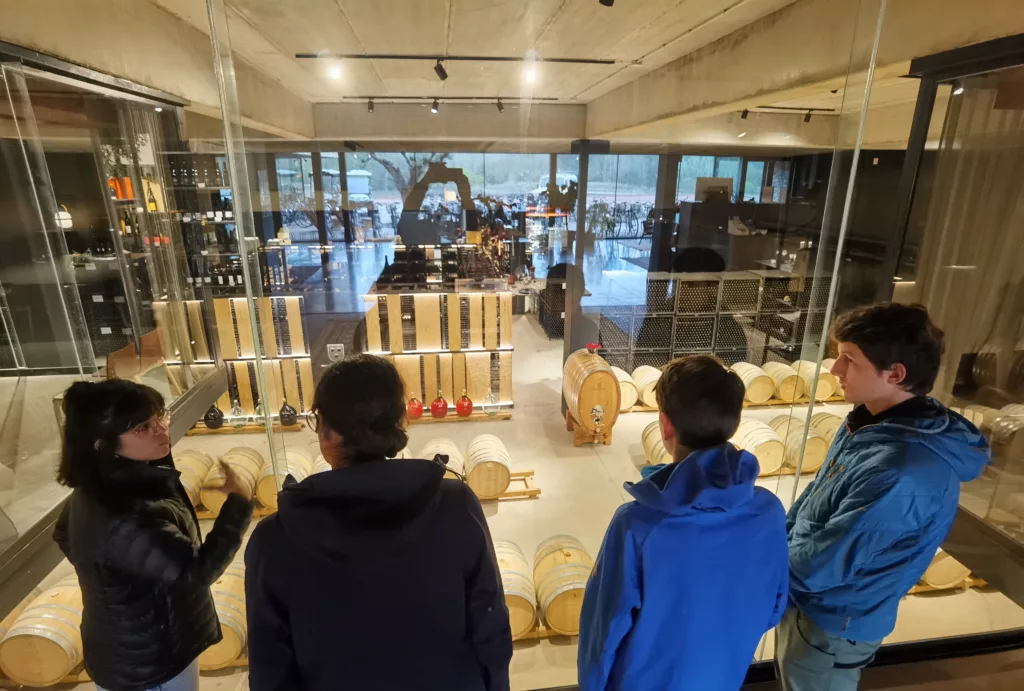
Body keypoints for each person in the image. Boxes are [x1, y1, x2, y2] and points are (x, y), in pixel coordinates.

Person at [245, 354, 512, 691]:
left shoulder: (275, 539)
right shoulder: (456, 506)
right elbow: (491, 628)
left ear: (326, 431)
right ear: (400, 421)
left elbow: (270, 670)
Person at [779, 303, 990, 691]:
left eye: (848, 359)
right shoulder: (869, 421)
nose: (835, 369)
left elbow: (826, 563)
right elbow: (817, 498)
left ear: (895, 374)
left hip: (834, 620)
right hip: (811, 603)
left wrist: (758, 557)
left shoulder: (903, 470)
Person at [578, 355, 789, 691]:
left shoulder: (637, 525)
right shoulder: (770, 510)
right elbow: (775, 607)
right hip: (724, 677)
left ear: (666, 425)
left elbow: (602, 636)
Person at [53, 380, 251, 691]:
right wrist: (237, 506)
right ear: (103, 444)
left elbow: (63, 534)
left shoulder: (104, 485)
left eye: (159, 416)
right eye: (143, 427)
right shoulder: (125, 511)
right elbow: (197, 572)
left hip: (131, 647)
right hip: (152, 662)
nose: (160, 429)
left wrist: (114, 582)